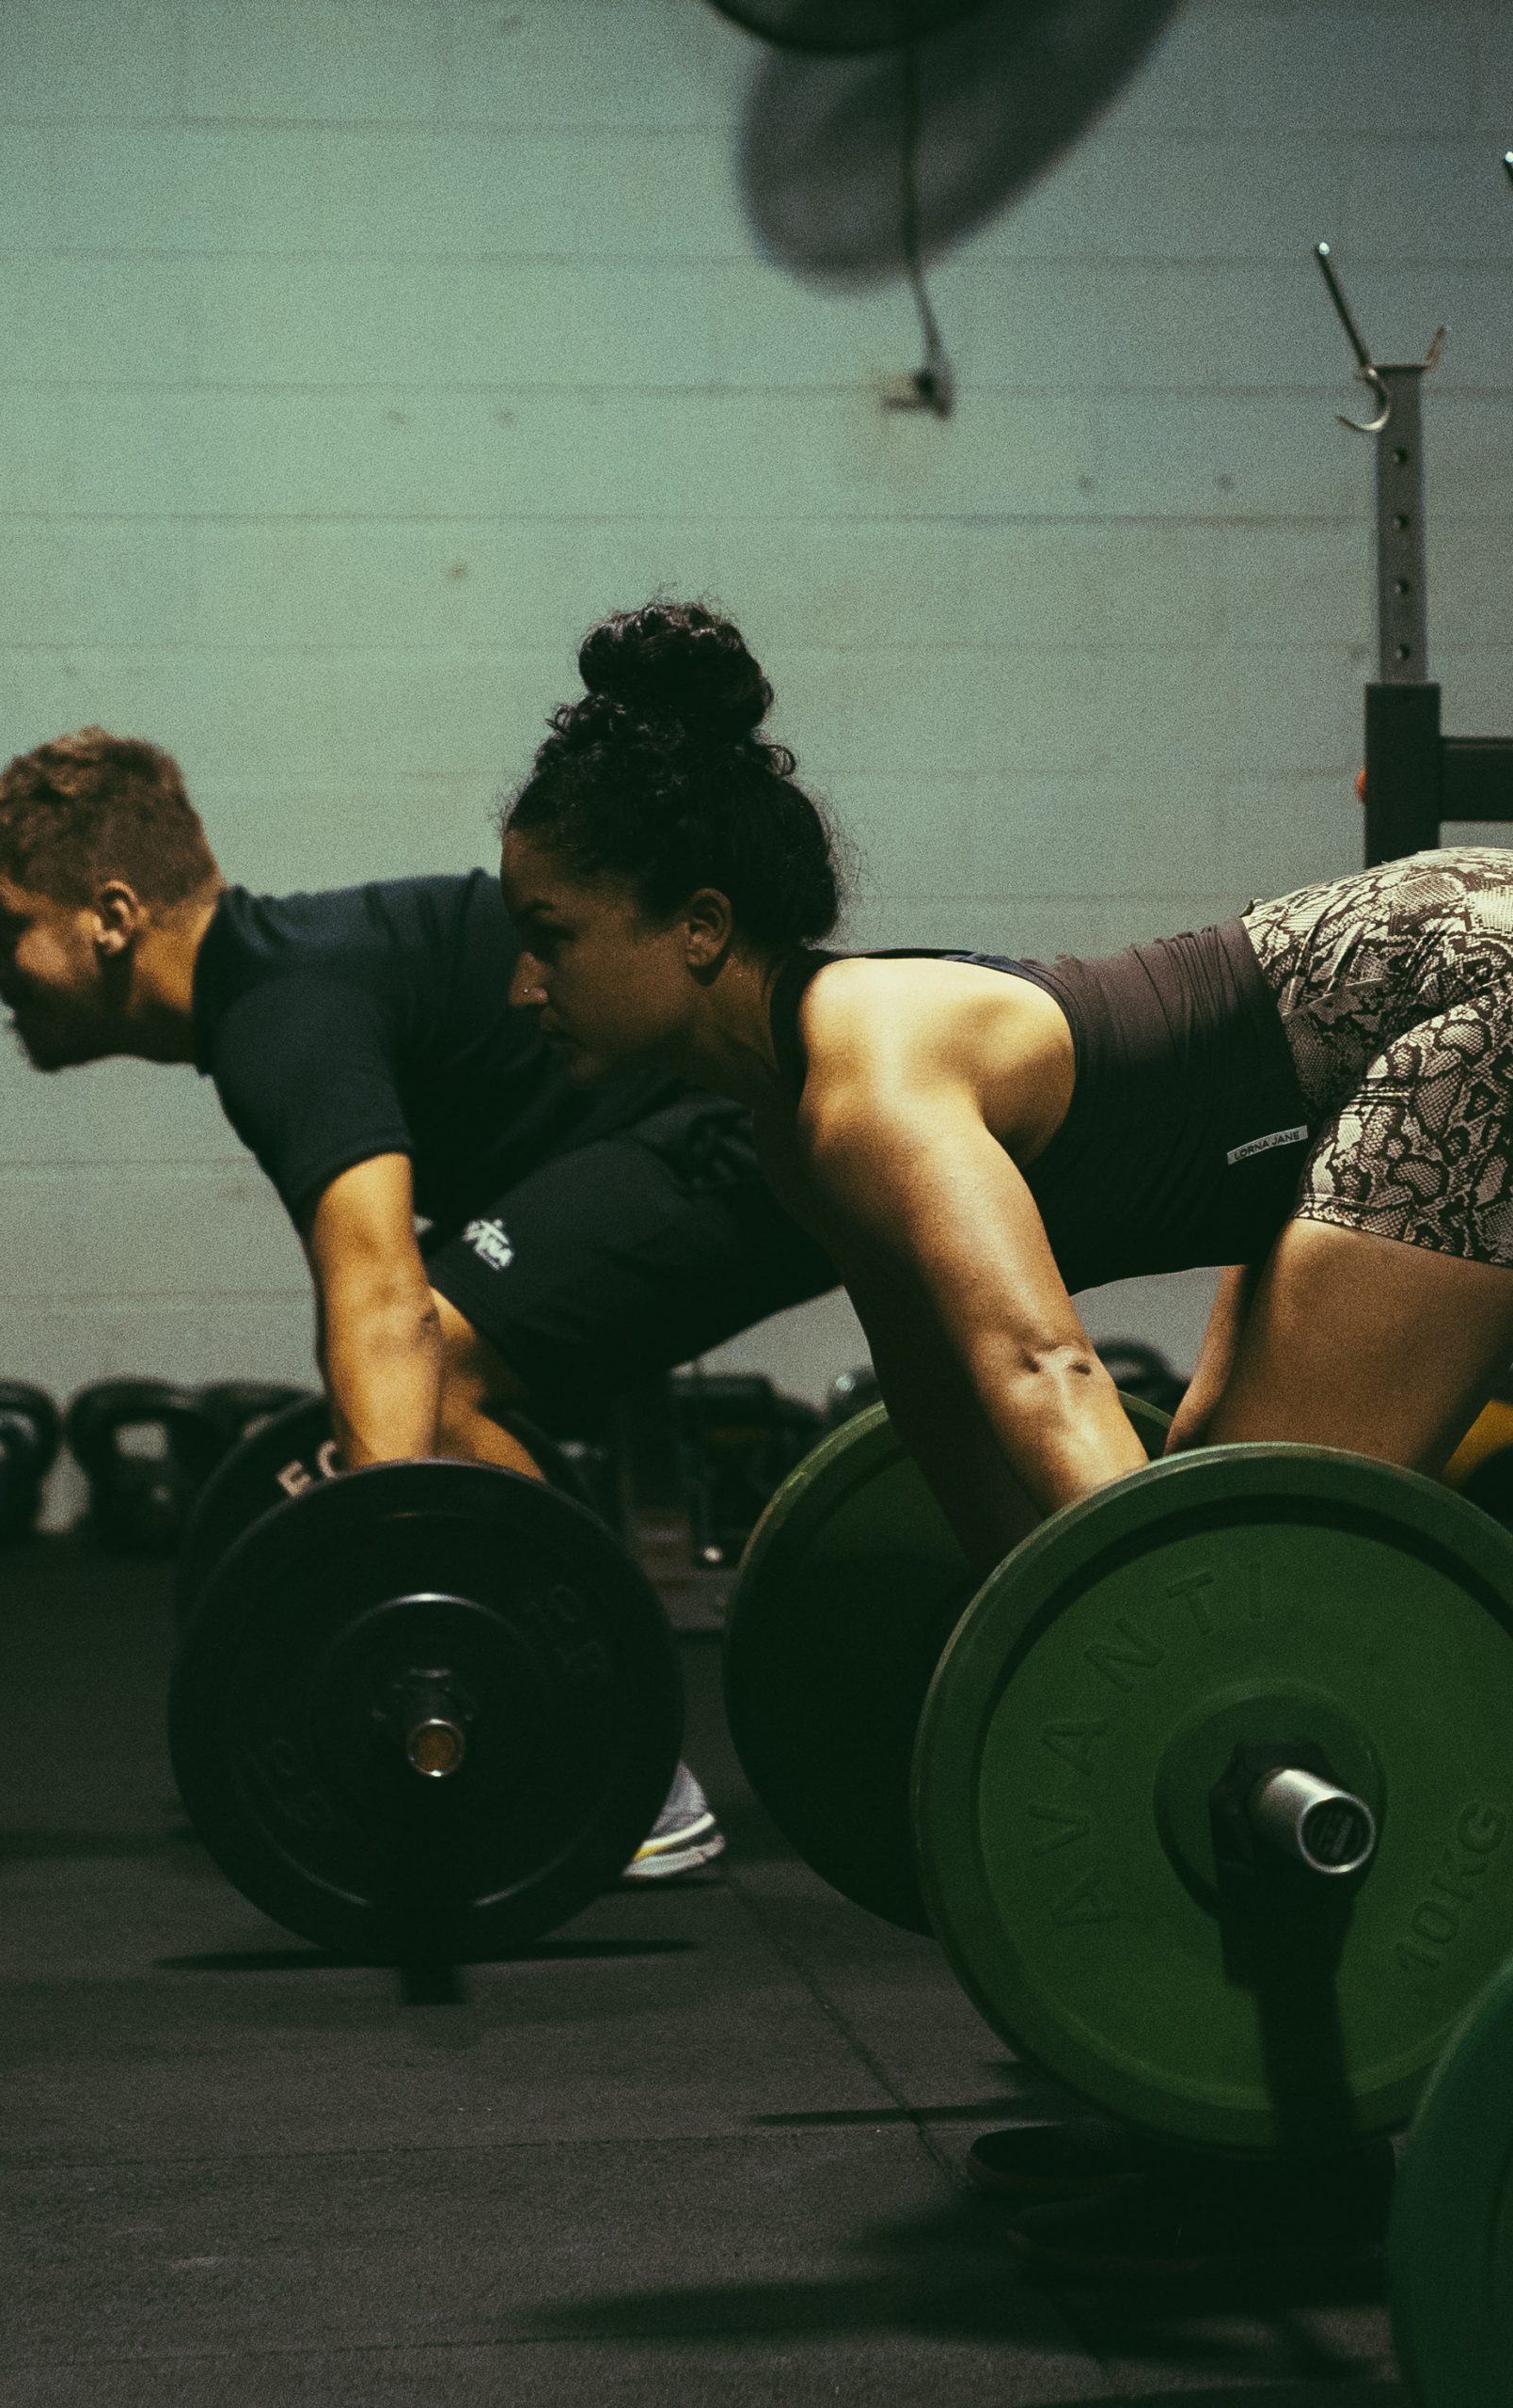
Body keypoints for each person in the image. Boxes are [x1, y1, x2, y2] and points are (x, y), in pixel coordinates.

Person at [496, 595, 1513, 2277]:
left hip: (1469, 1001)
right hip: (1393, 1008)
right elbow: (941, 1400)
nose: (521, 983)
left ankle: (1292, 2160)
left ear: (696, 929)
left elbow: (1041, 1371)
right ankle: (1217, 2114)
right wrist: (1033, 1671)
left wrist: (1155, 1680)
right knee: (1219, 1501)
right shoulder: (795, 1113)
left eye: (550, 935)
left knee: (1264, 1597)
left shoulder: (867, 1088)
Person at [0, 728, 838, 1881]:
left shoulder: (277, 1014)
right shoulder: (274, 990)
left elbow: (381, 1311)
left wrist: (394, 1607)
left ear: (111, 916)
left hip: (734, 1136)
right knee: (407, 1372)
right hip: (679, 1136)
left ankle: (618, 1765)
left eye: (3, 926)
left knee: (424, 1366)